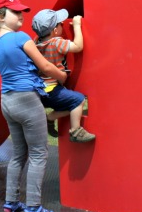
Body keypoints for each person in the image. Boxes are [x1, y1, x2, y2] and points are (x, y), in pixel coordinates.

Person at [0, 0, 66, 212]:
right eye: (15, 11)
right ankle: (33, 209)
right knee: (40, 153)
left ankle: (11, 204)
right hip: (27, 101)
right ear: (1, 16)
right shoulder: (21, 38)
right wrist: (61, 76)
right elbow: (44, 65)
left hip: (7, 101)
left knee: (19, 154)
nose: (21, 15)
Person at [31, 9, 95, 142]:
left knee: (69, 104)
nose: (62, 25)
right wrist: (77, 25)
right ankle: (76, 131)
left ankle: (50, 117)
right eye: (60, 24)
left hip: (39, 92)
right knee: (78, 100)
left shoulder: (36, 44)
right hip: (51, 89)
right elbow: (77, 46)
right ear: (55, 30)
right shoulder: (56, 42)